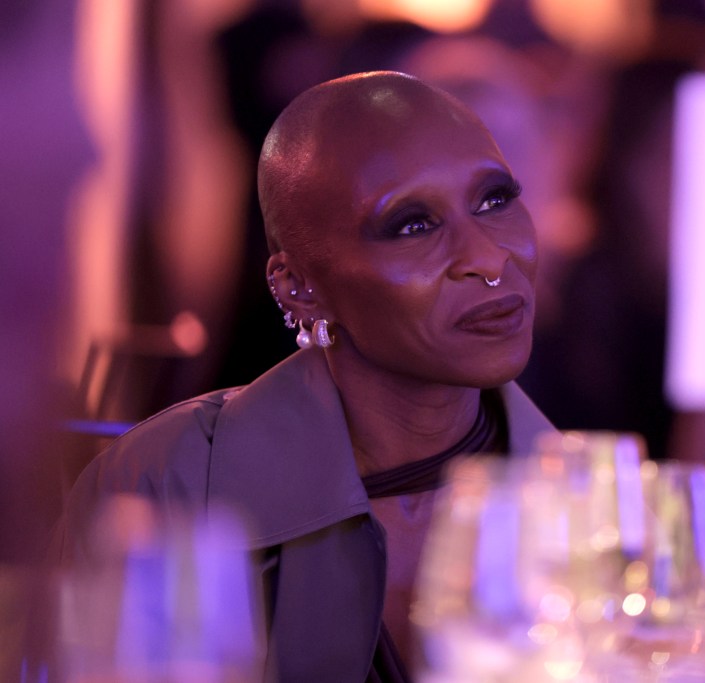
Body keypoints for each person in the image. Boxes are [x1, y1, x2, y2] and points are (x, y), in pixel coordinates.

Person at [57, 71, 556, 682]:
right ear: (299, 287)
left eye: (495, 200)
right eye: (413, 225)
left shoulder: (589, 509)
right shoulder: (170, 488)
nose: (488, 257)